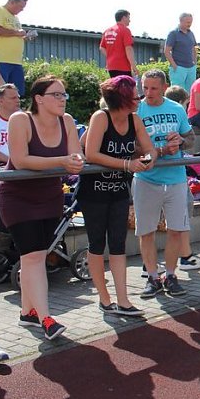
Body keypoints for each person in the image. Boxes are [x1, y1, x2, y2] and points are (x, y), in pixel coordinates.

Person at [0, 75, 84, 339]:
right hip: (18, 198)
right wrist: (62, 161)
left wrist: (76, 161)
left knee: (32, 257)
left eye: (63, 95)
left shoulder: (67, 121)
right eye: (56, 95)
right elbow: (21, 160)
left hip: (50, 196)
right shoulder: (20, 120)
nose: (62, 100)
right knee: (35, 257)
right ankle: (47, 318)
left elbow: (76, 155)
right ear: (38, 98)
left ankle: (28, 313)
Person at [80, 75, 154, 316]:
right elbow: (91, 154)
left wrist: (148, 159)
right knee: (97, 244)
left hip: (119, 191)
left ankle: (123, 301)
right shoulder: (100, 117)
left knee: (118, 244)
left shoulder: (135, 120)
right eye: (136, 97)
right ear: (123, 99)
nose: (140, 100)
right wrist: (126, 164)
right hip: (94, 192)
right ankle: (104, 299)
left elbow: (149, 148)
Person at [134, 69, 196, 298]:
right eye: (145, 88)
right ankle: (152, 277)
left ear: (164, 87)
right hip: (146, 180)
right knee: (146, 232)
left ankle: (170, 275)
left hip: (176, 179)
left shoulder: (176, 108)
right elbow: (132, 148)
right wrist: (159, 150)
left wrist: (180, 142)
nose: (148, 93)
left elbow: (190, 138)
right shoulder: (136, 109)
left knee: (176, 231)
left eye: (153, 88)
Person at [0, 0, 33, 95]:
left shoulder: (15, 18)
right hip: (0, 60)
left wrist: (24, 37)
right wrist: (18, 33)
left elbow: (14, 34)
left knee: (16, 93)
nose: (22, 10)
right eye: (20, 6)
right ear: (11, 2)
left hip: (16, 61)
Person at [99, 9, 139, 80]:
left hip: (111, 66)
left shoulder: (107, 31)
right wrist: (133, 66)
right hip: (123, 67)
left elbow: (101, 48)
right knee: (125, 89)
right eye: (128, 18)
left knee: (115, 88)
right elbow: (128, 49)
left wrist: (111, 56)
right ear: (124, 18)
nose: (130, 20)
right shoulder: (125, 30)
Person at [164, 13, 197, 92]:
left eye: (191, 22)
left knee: (190, 92)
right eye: (188, 22)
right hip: (178, 67)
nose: (190, 24)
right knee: (177, 93)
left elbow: (193, 49)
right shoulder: (173, 33)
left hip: (191, 68)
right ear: (181, 21)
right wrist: (174, 65)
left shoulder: (191, 34)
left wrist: (195, 63)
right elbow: (167, 51)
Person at [0, 83, 21, 168]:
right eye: (13, 98)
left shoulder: (25, 119)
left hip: (24, 165)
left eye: (18, 97)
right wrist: (13, 162)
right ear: (0, 101)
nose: (18, 100)